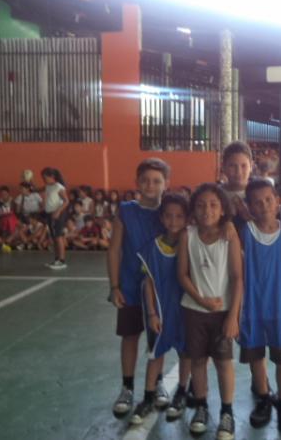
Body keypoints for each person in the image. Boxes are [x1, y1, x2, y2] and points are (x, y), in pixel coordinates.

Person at [177, 183, 243, 440]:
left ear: (223, 209)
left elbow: (238, 278)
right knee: (198, 362)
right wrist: (201, 300)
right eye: (201, 205)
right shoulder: (187, 235)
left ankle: (227, 413)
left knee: (224, 363)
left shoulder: (230, 235)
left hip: (223, 313)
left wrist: (233, 315)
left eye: (214, 205)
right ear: (193, 209)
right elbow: (182, 275)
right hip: (194, 311)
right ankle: (201, 407)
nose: (207, 210)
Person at [107, 158, 171, 420]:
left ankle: (156, 385)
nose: (150, 185)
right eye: (145, 180)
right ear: (137, 182)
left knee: (158, 340)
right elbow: (114, 249)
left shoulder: (169, 212)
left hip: (160, 289)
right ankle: (127, 387)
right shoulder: (126, 210)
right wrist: (114, 286)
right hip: (131, 285)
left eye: (157, 181)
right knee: (130, 336)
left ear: (166, 184)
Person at [239, 179, 281, 437]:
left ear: (278, 200)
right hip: (252, 305)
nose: (264, 205)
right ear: (249, 207)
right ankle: (264, 397)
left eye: (268, 199)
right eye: (257, 202)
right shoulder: (243, 233)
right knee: (256, 355)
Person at [133, 193, 192, 424]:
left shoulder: (192, 244)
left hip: (186, 310)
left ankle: (182, 392)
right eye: (169, 215)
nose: (174, 220)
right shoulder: (153, 248)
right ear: (161, 217)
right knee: (155, 353)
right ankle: (148, 397)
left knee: (185, 352)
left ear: (187, 218)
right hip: (160, 311)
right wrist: (151, 313)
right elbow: (148, 282)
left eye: (179, 216)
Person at [220, 141, 254, 234]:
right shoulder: (216, 194)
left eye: (243, 166)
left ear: (251, 166)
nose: (238, 172)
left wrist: (248, 217)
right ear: (223, 166)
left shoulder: (259, 194)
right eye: (232, 166)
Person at [42, 167, 70, 270]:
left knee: (58, 236)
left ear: (52, 176)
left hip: (57, 214)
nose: (44, 179)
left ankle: (62, 261)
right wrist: (29, 181)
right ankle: (57, 259)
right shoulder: (48, 186)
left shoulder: (59, 187)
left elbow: (66, 201)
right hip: (50, 214)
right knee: (54, 237)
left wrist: (58, 211)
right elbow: (36, 189)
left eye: (45, 177)